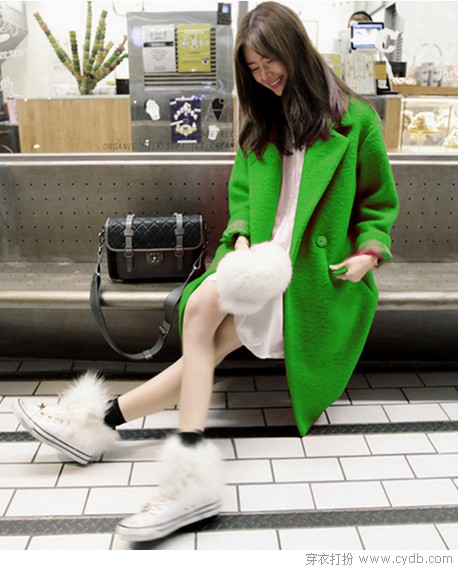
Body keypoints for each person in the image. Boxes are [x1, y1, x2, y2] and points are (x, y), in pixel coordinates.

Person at [14, 1, 399, 543]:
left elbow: (378, 202)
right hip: (258, 256)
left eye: (270, 62)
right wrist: (239, 233)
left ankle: (116, 435)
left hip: (311, 271)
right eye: (254, 69)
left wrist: (369, 253)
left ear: (296, 48)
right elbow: (242, 192)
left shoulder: (355, 120)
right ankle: (135, 446)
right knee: (202, 321)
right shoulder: (261, 119)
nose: (265, 77)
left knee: (206, 332)